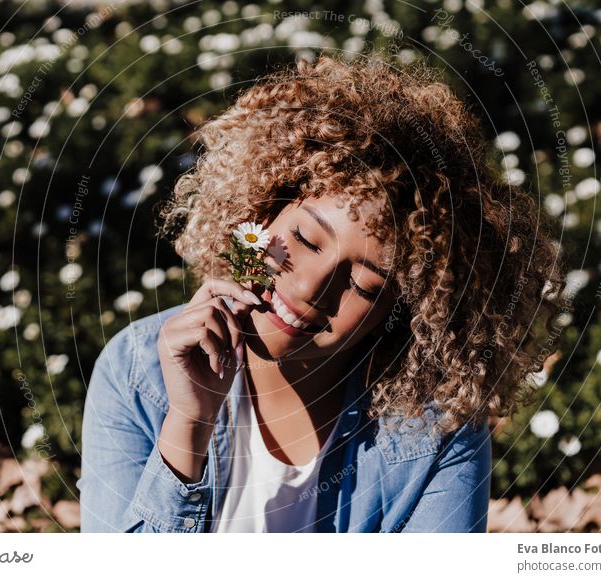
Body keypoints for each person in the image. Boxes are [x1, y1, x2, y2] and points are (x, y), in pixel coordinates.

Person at [76, 51, 565, 533]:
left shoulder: (435, 430)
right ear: (262, 211)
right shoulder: (138, 372)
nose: (310, 286)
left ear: (413, 311)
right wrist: (188, 423)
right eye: (307, 239)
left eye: (363, 284)